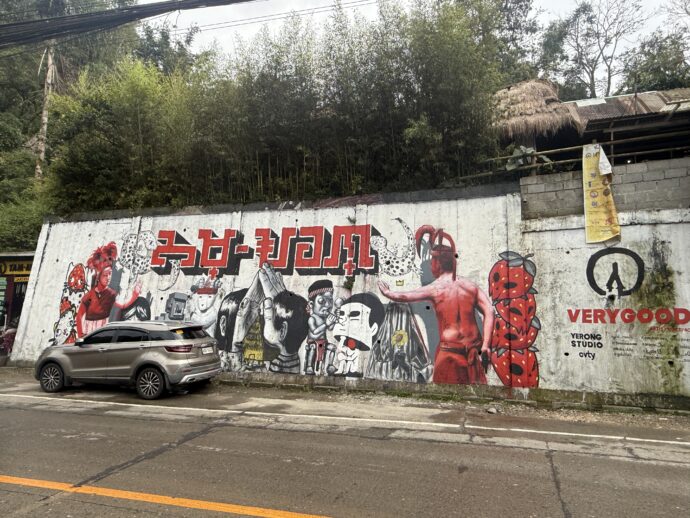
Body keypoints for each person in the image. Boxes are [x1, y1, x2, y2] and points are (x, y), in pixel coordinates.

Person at [378, 226, 494, 385]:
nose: (431, 265)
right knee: (474, 393)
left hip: (452, 354)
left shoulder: (436, 288)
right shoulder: (470, 287)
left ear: (438, 263)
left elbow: (406, 296)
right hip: (473, 350)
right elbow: (489, 311)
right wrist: (486, 345)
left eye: (432, 261)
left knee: (444, 392)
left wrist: (388, 293)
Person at [304, 279, 340, 375]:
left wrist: (334, 321)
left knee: (333, 348)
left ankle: (330, 365)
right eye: (321, 301)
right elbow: (315, 332)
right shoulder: (312, 318)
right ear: (311, 304)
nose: (327, 305)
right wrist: (326, 324)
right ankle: (309, 366)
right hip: (313, 342)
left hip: (323, 342)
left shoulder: (325, 318)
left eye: (330, 300)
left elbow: (330, 329)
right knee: (312, 348)